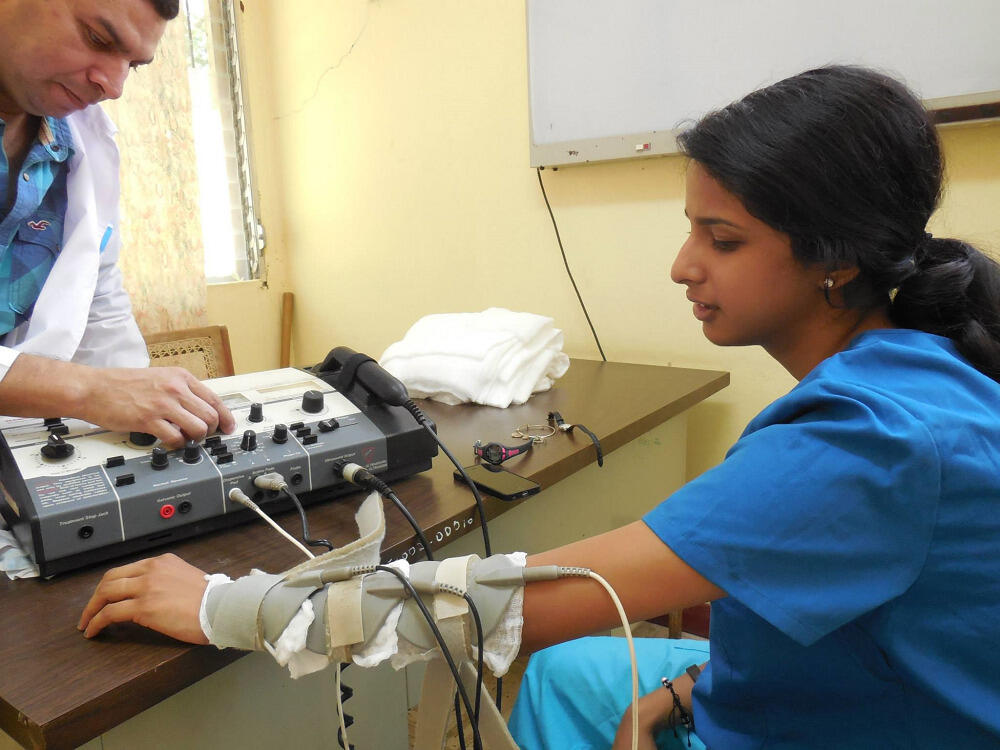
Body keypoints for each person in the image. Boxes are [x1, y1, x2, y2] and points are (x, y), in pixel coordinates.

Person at [78, 65, 1000, 748]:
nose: (683, 266)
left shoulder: (869, 443)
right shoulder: (925, 366)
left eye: (720, 239)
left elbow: (531, 602)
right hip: (827, 684)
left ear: (834, 256)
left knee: (550, 647)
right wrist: (684, 693)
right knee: (565, 677)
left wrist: (222, 607)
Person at [0, 0, 234, 447]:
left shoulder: (81, 140)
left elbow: (96, 294)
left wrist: (148, 405)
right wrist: (89, 391)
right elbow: (94, 387)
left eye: (134, 65)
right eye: (98, 39)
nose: (113, 85)